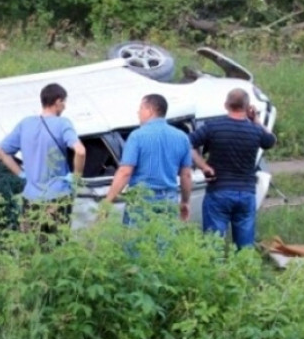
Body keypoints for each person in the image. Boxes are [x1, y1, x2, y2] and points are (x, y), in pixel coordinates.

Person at [0, 83, 86, 238]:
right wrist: (76, 178)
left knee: (32, 247)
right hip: (57, 197)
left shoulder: (25, 124)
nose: (65, 107)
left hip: (30, 197)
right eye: (64, 102)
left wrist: (22, 174)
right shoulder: (62, 123)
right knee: (56, 245)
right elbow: (80, 151)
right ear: (58, 101)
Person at [189, 88, 277, 249]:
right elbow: (270, 140)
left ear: (226, 105)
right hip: (246, 192)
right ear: (248, 107)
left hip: (219, 190)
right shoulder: (255, 130)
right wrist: (256, 119)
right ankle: (243, 271)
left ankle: (215, 272)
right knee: (244, 247)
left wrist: (204, 166)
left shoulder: (213, 127)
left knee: (213, 244)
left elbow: (187, 144)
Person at [104, 94, 192, 224]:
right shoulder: (182, 137)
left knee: (137, 242)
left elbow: (125, 172)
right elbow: (186, 175)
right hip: (169, 199)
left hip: (142, 199)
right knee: (164, 242)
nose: (138, 112)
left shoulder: (137, 136)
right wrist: (185, 202)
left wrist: (107, 202)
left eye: (141, 108)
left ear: (150, 110)